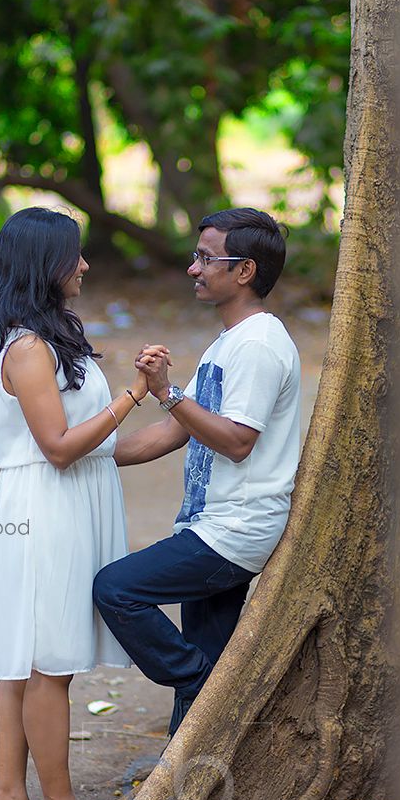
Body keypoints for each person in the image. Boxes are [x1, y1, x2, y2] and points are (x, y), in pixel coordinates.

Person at [0, 207, 163, 800]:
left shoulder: (48, 339)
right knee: (47, 663)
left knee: (26, 664)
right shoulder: (28, 349)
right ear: (45, 266)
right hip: (46, 510)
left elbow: (96, 446)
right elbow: (58, 446)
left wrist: (183, 419)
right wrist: (134, 393)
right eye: (74, 256)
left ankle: (10, 795)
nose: (84, 265)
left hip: (64, 503)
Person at [93, 207, 301, 737]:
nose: (193, 268)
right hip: (210, 524)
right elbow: (179, 431)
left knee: (116, 588)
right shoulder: (229, 342)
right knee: (201, 664)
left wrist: (167, 392)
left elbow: (235, 441)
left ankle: (205, 683)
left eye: (206, 259)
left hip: (236, 530)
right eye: (195, 257)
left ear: (245, 271)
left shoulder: (256, 345)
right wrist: (90, 451)